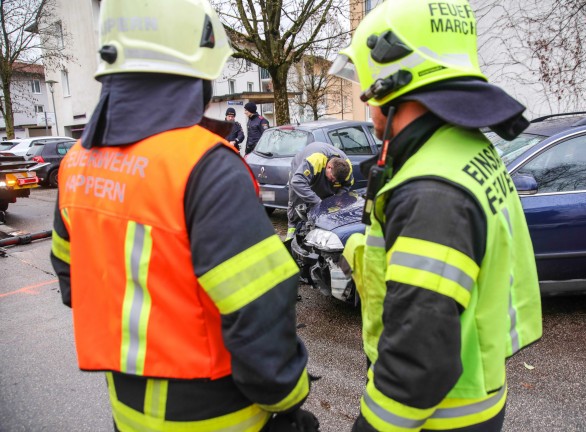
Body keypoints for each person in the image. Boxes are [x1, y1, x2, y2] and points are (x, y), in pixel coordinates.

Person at [49, 1, 318, 431]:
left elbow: (73, 281)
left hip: (128, 411)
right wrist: (288, 399)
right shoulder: (205, 165)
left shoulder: (77, 162)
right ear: (196, 74)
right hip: (221, 414)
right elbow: (259, 310)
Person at [330, 0, 543, 431]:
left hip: (439, 417)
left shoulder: (430, 189)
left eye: (371, 91)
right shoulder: (464, 150)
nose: (368, 105)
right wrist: (361, 251)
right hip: (475, 393)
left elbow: (418, 358)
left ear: (396, 87)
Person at [286, 142, 354, 241]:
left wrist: (337, 198)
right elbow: (297, 182)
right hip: (299, 173)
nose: (334, 181)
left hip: (320, 173)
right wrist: (317, 202)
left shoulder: (347, 168)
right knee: (296, 207)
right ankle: (290, 238)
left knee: (327, 205)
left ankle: (317, 232)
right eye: (333, 178)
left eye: (337, 181)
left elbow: (348, 184)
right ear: (329, 167)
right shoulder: (316, 160)